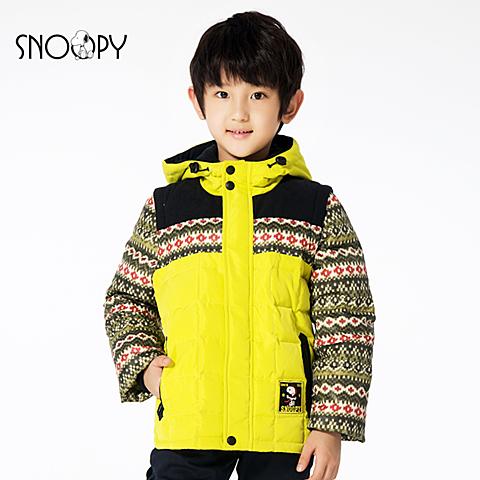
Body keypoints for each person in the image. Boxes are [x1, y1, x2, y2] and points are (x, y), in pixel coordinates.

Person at [103, 10, 376, 480]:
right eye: (223, 94)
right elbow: (125, 299)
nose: (239, 113)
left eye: (258, 95)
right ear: (198, 100)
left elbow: (347, 319)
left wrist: (331, 423)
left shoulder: (314, 208)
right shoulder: (168, 209)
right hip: (191, 420)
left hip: (284, 426)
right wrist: (146, 367)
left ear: (290, 104)